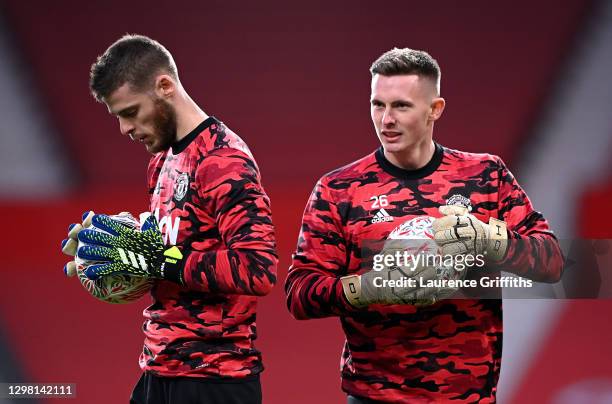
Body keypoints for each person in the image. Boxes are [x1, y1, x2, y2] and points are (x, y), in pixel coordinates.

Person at [285, 48, 563, 403]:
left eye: (401, 106)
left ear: (435, 109)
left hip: (467, 397)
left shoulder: (486, 176)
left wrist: (489, 239)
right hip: (374, 396)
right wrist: (368, 289)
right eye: (377, 105)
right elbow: (300, 293)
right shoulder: (340, 189)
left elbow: (553, 261)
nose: (386, 119)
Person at [67, 34, 277, 404]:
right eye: (117, 117)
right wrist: (118, 258)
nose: (124, 129)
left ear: (164, 86)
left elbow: (257, 269)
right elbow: (169, 256)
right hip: (158, 368)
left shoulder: (222, 159)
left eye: (130, 112)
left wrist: (157, 260)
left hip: (213, 379)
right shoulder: (160, 161)